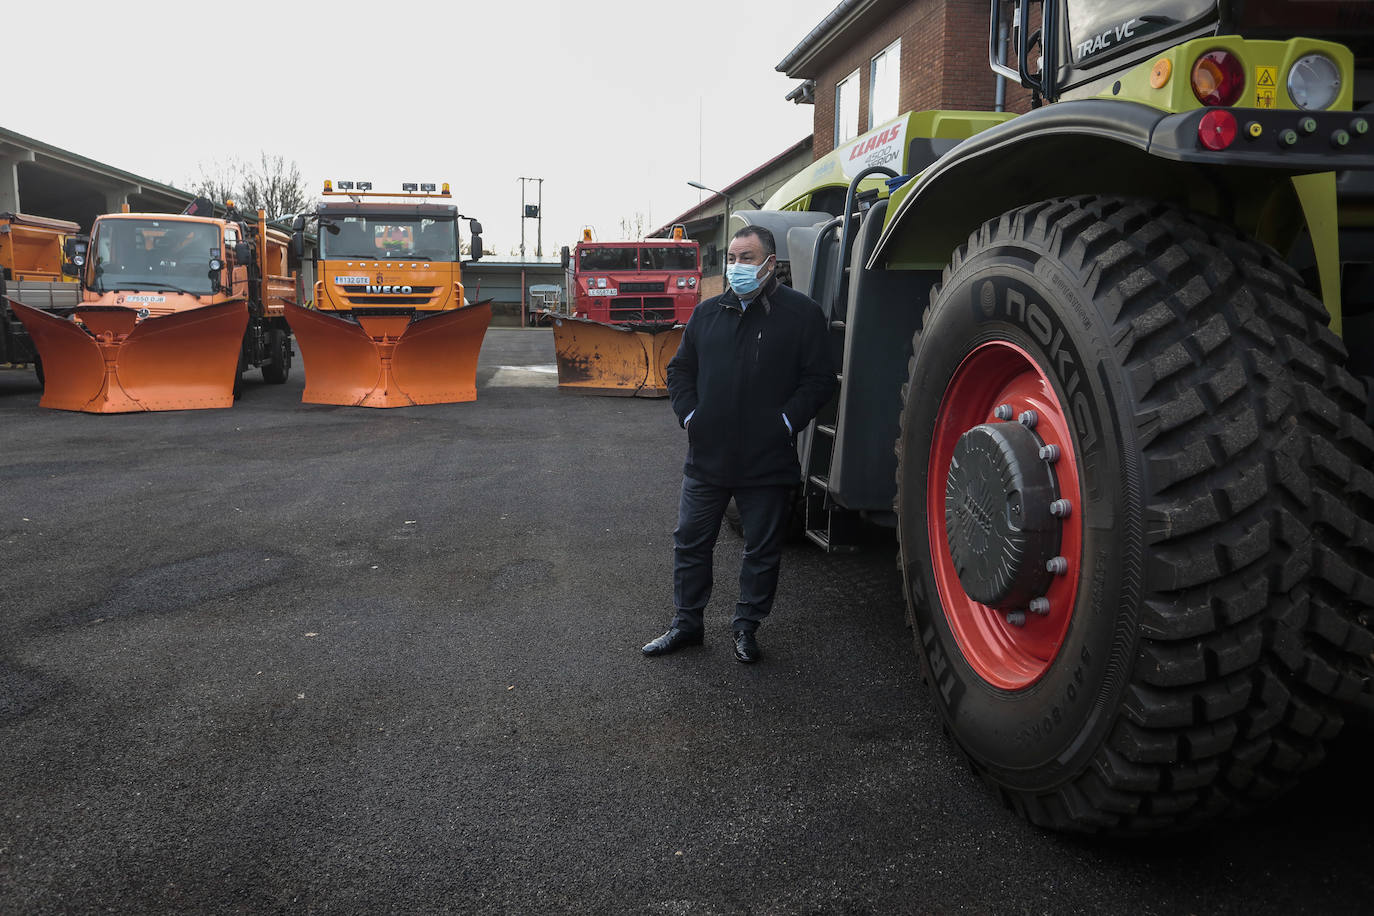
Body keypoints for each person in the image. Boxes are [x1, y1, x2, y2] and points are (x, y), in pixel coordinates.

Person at [644, 225, 836, 663]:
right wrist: (691, 415)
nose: (737, 266)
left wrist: (785, 421)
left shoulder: (801, 315)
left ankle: (746, 627)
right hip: (708, 458)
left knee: (762, 549)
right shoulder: (707, 313)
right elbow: (679, 371)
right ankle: (686, 624)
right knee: (690, 542)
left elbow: (820, 379)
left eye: (746, 257)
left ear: (770, 262)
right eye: (731, 257)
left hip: (766, 461)